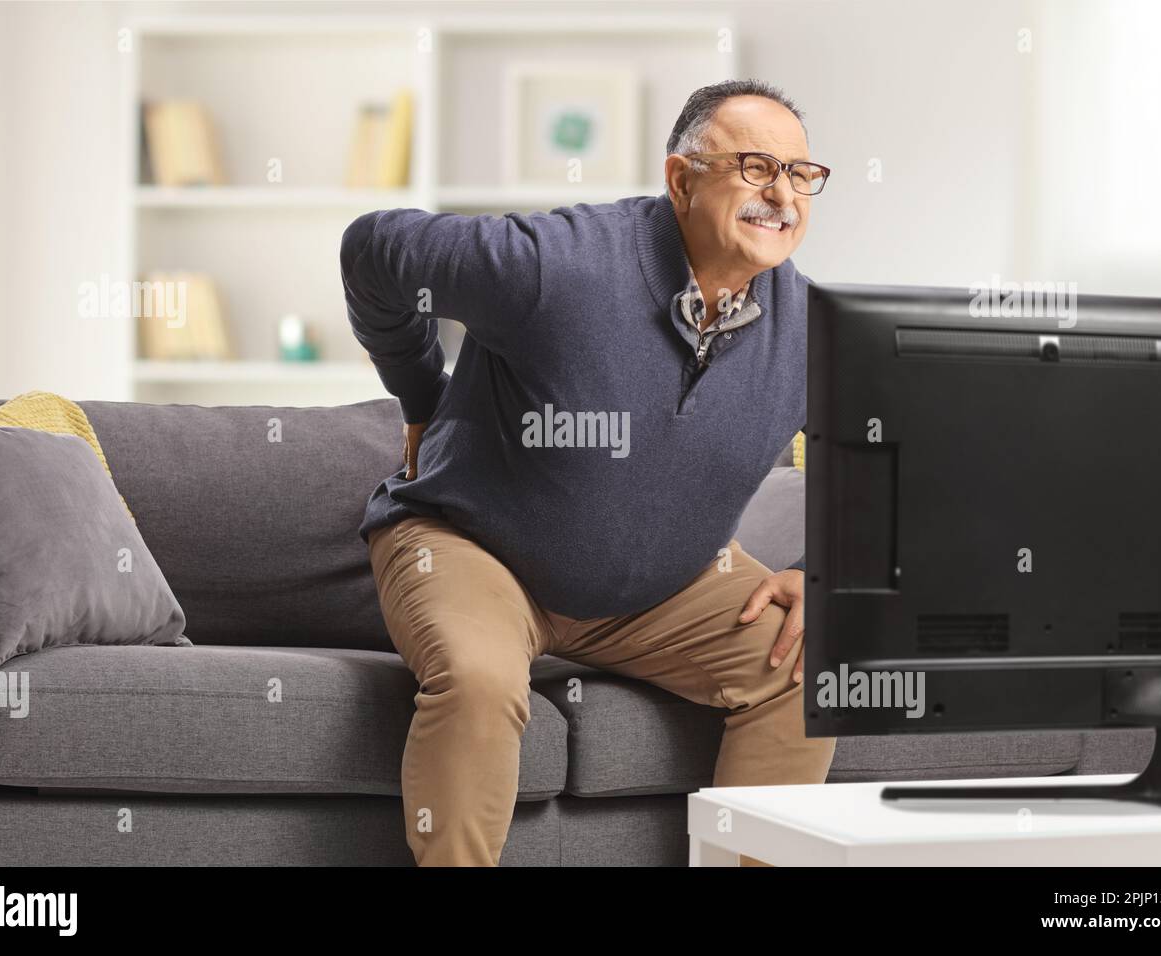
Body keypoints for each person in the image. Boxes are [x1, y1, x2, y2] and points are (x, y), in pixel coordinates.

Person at [340, 78, 834, 866]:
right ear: (681, 179)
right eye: (753, 167)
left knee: (811, 664)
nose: (781, 195)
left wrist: (828, 571)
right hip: (473, 547)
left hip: (661, 589)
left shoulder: (811, 330)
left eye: (801, 175)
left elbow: (885, 452)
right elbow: (373, 248)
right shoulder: (552, 265)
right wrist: (418, 390)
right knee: (478, 680)